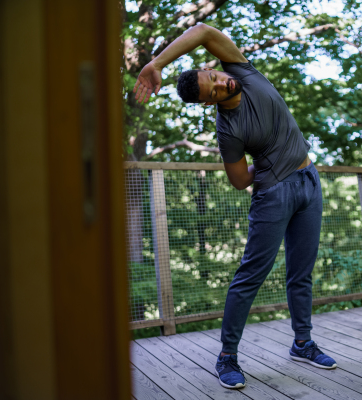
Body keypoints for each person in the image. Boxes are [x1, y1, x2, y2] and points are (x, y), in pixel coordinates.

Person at [134, 23, 337, 390]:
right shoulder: (229, 130)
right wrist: (270, 163)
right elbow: (240, 180)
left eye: (215, 74)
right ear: (210, 101)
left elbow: (203, 30)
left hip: (310, 181)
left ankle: (303, 343)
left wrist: (157, 63)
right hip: (274, 194)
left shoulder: (242, 70)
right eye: (213, 88)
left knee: (301, 272)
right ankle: (227, 356)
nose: (221, 82)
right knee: (251, 275)